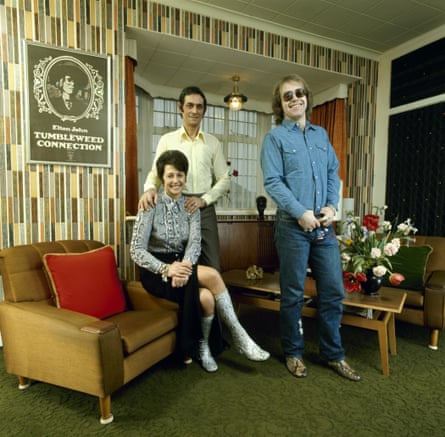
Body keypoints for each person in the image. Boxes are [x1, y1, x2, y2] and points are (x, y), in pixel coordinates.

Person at [260, 74, 361, 381]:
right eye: (287, 95)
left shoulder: (321, 135)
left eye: (299, 93)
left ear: (307, 97)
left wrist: (333, 207)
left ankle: (333, 355)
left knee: (333, 292)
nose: (294, 98)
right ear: (280, 104)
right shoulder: (275, 138)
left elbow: (333, 173)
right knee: (292, 295)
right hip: (293, 227)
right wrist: (299, 211)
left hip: (324, 229)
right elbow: (273, 182)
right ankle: (293, 352)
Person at [131, 150, 269, 372]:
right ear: (162, 178)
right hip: (155, 271)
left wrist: (182, 269)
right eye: (170, 176)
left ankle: (203, 347)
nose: (176, 181)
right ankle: (240, 336)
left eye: (180, 175)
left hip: (183, 264)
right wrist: (167, 270)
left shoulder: (191, 206)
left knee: (206, 298)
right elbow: (136, 251)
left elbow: (195, 244)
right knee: (213, 275)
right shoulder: (150, 205)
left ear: (185, 177)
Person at [138, 86, 230, 271]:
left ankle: (208, 299)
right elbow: (156, 174)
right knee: (180, 264)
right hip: (173, 205)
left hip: (203, 208)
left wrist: (204, 200)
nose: (194, 111)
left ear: (204, 110)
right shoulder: (167, 140)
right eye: (190, 106)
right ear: (180, 108)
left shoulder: (213, 142)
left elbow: (225, 179)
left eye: (199, 106)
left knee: (212, 265)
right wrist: (149, 189)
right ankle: (188, 299)